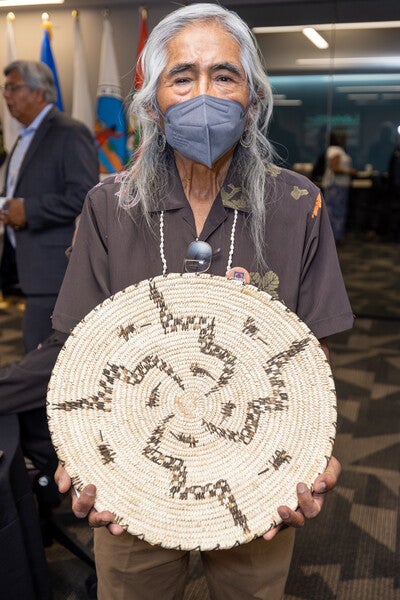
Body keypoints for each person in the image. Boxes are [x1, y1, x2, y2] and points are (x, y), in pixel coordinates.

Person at [53, 4, 354, 600]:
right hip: (132, 480)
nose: (203, 94)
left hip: (255, 480)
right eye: (182, 76)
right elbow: (80, 349)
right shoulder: (110, 204)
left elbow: (308, 357)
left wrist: (309, 450)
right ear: (153, 101)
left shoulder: (298, 203)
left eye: (224, 75)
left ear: (253, 96)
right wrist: (79, 455)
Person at [0, 60, 99, 352]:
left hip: (54, 273)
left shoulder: (69, 132)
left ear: (39, 92)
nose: (6, 95)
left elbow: (84, 194)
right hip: (25, 267)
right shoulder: (24, 136)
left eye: (13, 87)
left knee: (43, 363)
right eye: (4, 89)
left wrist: (27, 210)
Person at [321, 131, 357, 242]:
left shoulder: (339, 150)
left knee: (338, 212)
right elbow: (335, 168)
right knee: (334, 212)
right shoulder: (335, 150)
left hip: (340, 186)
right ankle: (331, 237)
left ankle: (335, 237)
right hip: (335, 186)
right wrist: (349, 171)